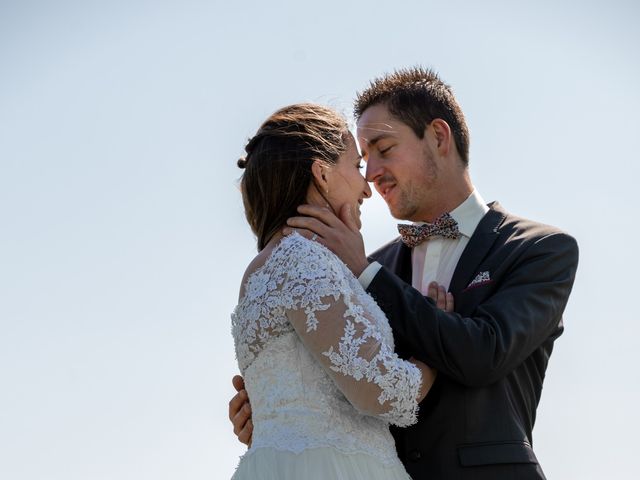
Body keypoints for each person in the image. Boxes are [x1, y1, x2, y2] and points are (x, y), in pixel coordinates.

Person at [230, 68, 579, 479]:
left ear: (438, 136)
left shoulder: (538, 249)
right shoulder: (354, 264)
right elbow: (347, 369)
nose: (371, 174)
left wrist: (365, 272)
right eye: (362, 159)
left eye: (383, 148)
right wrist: (273, 407)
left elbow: (486, 354)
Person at [229, 103, 442, 480]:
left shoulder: (261, 268)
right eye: (356, 167)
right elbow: (381, 390)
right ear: (322, 175)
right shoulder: (302, 259)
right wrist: (437, 352)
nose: (367, 189)